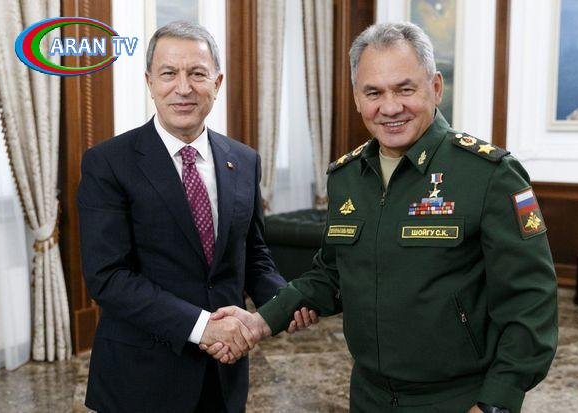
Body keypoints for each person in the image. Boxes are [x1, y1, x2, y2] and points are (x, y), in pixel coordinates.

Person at [205, 22, 558, 412]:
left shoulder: (489, 174)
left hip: (458, 398)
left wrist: (495, 403)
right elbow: (331, 276)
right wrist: (259, 321)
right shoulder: (346, 177)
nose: (390, 108)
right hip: (369, 395)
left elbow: (531, 301)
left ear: (435, 87)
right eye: (373, 92)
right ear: (357, 98)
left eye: (405, 89)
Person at [78, 21, 315, 413]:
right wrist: (203, 327)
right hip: (142, 378)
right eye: (169, 73)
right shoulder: (108, 163)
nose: (183, 88)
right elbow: (108, 277)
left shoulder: (244, 160)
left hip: (223, 375)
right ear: (150, 82)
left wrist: (282, 301)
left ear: (217, 83)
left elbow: (253, 253)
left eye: (197, 74)